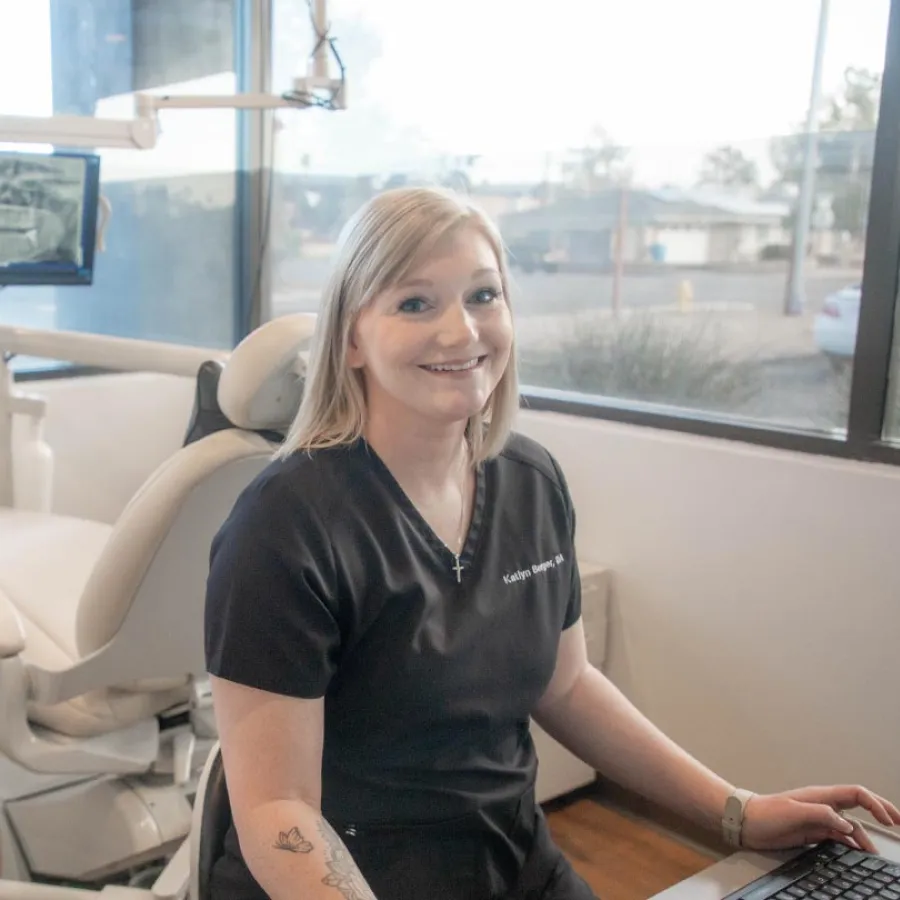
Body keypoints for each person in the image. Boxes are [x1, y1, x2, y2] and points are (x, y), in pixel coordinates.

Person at [203, 186, 899, 900]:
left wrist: (737, 811)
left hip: (512, 864)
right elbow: (276, 809)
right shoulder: (285, 526)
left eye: (483, 295)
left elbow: (565, 683)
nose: (462, 331)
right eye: (416, 303)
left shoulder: (527, 482)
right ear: (352, 337)